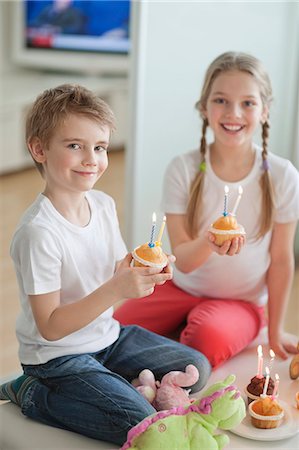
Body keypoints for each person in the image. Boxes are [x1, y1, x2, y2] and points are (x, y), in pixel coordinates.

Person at [0, 84, 211, 446]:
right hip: (57, 358)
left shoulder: (102, 204)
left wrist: (144, 269)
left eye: (99, 147)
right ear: (39, 149)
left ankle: (108, 381)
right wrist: (117, 288)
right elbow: (50, 327)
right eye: (74, 146)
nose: (91, 159)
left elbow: (116, 269)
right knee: (141, 422)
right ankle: (33, 393)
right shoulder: (39, 233)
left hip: (107, 338)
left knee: (197, 369)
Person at [114, 51, 299, 369]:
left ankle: (191, 334)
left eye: (248, 103)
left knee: (205, 341)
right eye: (221, 100)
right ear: (204, 107)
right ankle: (181, 329)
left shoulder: (283, 176)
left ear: (265, 110)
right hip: (180, 287)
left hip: (241, 302)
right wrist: (210, 242)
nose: (233, 113)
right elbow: (183, 261)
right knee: (112, 331)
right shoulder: (182, 169)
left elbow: (281, 259)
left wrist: (276, 329)